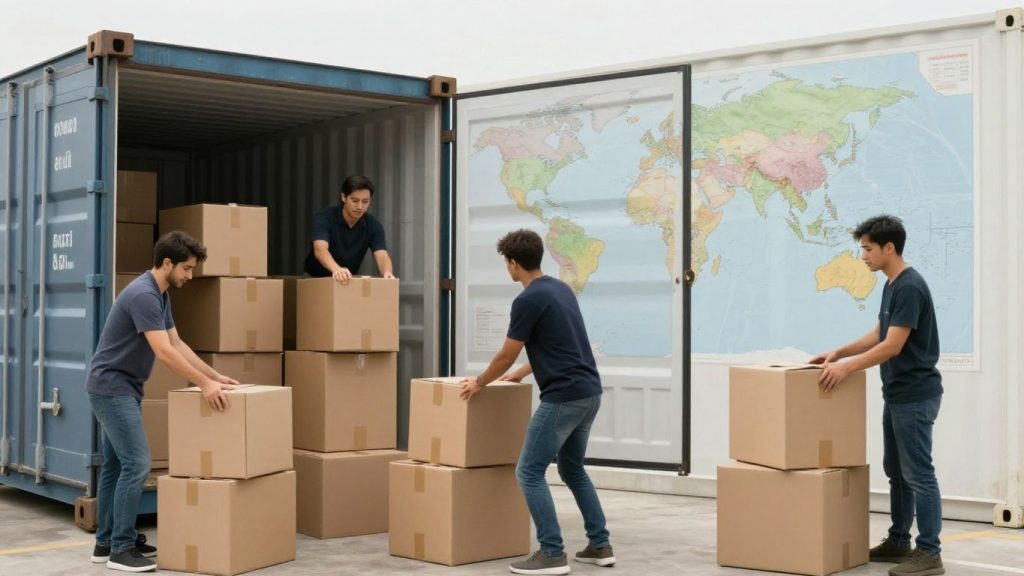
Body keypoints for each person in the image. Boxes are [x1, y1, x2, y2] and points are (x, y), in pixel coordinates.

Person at [460, 229, 613, 575]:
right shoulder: (561, 289)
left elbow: (505, 353)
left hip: (563, 398)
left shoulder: (527, 300)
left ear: (513, 264)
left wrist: (480, 382)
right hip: (590, 393)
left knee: (528, 471)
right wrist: (522, 373)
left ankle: (551, 552)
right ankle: (599, 545)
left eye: (506, 263)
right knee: (572, 470)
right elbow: (563, 345)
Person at [87, 231, 238, 573]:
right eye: (186, 268)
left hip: (116, 387)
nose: (190, 275)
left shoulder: (160, 294)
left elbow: (177, 343)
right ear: (167, 263)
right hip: (113, 389)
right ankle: (121, 551)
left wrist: (213, 377)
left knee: (115, 465)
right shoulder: (143, 295)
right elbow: (164, 352)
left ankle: (106, 541)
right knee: (137, 464)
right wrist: (203, 385)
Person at [810, 215, 944, 576]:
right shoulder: (892, 284)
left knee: (918, 472)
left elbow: (893, 346)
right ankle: (899, 540)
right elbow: (880, 332)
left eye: (868, 249)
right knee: (896, 471)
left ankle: (929, 552)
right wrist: (839, 353)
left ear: (889, 248)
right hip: (898, 394)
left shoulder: (910, 286)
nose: (863, 256)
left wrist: (846, 370)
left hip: (915, 395)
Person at [303, 175, 395, 283]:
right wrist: (337, 269)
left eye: (365, 201)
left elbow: (382, 254)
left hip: (347, 279)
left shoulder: (373, 225)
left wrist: (387, 272)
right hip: (314, 278)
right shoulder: (324, 217)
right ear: (343, 197)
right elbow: (320, 249)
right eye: (355, 201)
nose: (360, 206)